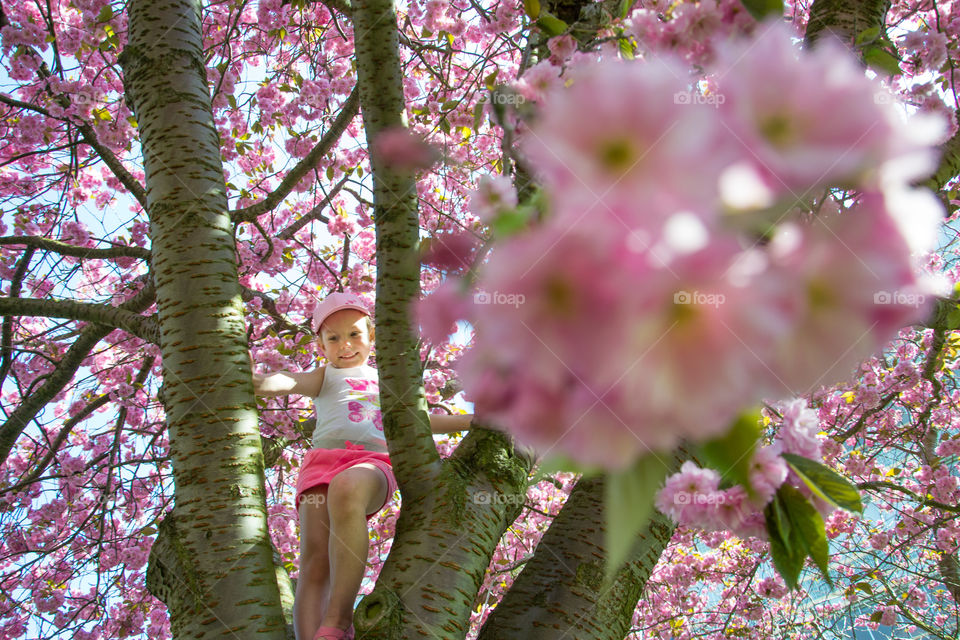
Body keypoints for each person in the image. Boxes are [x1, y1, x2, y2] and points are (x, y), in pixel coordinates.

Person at [253, 292, 471, 640]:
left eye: (354, 334)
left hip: (373, 463)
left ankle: (338, 620)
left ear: (371, 336)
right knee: (313, 561)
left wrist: (472, 421)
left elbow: (421, 420)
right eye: (333, 338)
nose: (345, 345)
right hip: (321, 464)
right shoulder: (324, 376)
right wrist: (258, 383)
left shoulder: (386, 381)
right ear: (321, 345)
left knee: (348, 490)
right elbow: (288, 381)